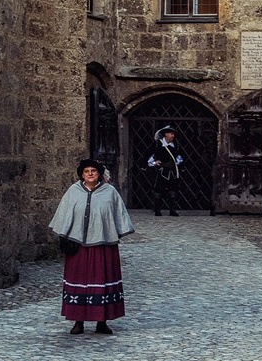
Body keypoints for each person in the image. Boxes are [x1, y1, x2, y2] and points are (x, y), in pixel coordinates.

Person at [48, 157, 134, 334]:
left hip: (103, 245)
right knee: (79, 281)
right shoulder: (73, 191)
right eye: (86, 171)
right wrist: (64, 236)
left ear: (99, 174)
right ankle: (78, 322)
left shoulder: (110, 192)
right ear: (82, 174)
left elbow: (118, 213)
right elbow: (64, 213)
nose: (90, 174)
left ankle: (101, 322)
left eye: (93, 171)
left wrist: (115, 231)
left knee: (101, 281)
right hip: (77, 246)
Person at [145, 125, 188, 216]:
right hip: (162, 171)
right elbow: (149, 156)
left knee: (173, 189)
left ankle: (172, 210)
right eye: (171, 134)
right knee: (158, 190)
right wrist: (154, 163)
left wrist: (177, 162)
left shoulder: (175, 145)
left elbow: (179, 156)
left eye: (173, 134)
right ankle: (157, 210)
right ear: (166, 134)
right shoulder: (157, 144)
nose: (173, 136)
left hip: (172, 171)